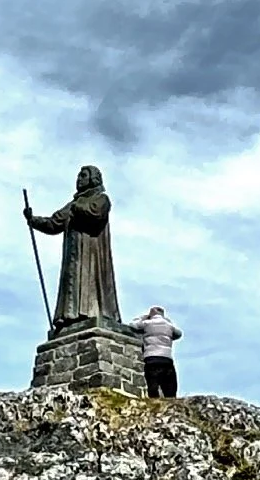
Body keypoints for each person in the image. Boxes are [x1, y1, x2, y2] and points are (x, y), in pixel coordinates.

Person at [23, 165, 121, 333]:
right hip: (74, 254)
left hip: (92, 251)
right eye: (78, 176)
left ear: (92, 179)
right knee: (72, 281)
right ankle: (71, 315)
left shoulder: (101, 199)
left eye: (83, 176)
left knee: (90, 280)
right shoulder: (73, 204)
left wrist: (77, 207)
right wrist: (33, 219)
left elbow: (96, 214)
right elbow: (54, 223)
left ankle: (93, 312)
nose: (79, 179)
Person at [129, 306, 182, 398]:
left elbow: (132, 325)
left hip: (151, 358)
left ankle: (154, 404)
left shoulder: (146, 323)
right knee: (170, 388)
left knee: (152, 385)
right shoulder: (169, 325)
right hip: (167, 359)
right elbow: (179, 334)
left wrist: (143, 317)